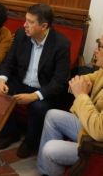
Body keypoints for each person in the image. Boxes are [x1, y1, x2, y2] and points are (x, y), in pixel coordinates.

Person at [0, 3, 71, 158]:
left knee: (38, 107)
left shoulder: (61, 44)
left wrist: (35, 96)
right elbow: (8, 62)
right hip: (21, 82)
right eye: (25, 20)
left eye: (30, 22)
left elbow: (60, 81)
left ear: (43, 25)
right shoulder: (21, 35)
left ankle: (30, 142)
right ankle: (10, 132)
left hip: (45, 88)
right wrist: (1, 80)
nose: (24, 25)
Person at [36, 37, 103, 176]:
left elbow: (99, 131)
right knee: (52, 115)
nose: (95, 49)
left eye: (100, 46)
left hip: (95, 145)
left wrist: (81, 95)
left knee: (50, 149)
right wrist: (79, 84)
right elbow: (89, 79)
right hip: (89, 130)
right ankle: (47, 171)